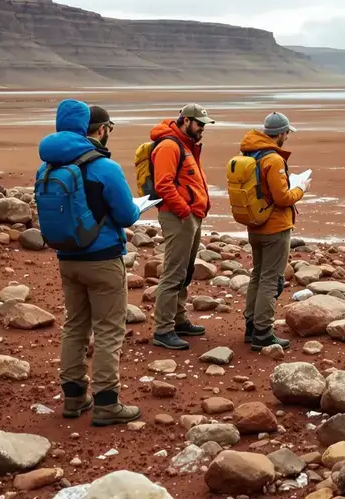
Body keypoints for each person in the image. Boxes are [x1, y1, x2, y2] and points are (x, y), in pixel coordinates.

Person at [36, 100, 141, 426]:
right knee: (108, 330)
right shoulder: (104, 167)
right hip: (103, 259)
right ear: (97, 129)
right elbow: (126, 215)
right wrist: (138, 208)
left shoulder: (46, 168)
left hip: (67, 257)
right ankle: (107, 402)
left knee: (75, 326)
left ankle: (74, 396)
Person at [238, 112, 310, 351]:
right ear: (280, 133)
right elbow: (282, 198)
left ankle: (251, 327)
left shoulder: (250, 154)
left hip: (255, 224)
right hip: (275, 227)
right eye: (287, 133)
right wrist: (301, 189)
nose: (287, 137)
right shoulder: (273, 159)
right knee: (270, 280)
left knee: (258, 275)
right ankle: (263, 333)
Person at [149, 103, 215, 350]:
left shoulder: (186, 145)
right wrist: (184, 211)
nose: (203, 128)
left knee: (185, 271)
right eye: (200, 124)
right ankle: (163, 329)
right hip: (178, 216)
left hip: (190, 215)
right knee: (174, 272)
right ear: (186, 121)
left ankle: (178, 320)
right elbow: (163, 185)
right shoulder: (169, 146)